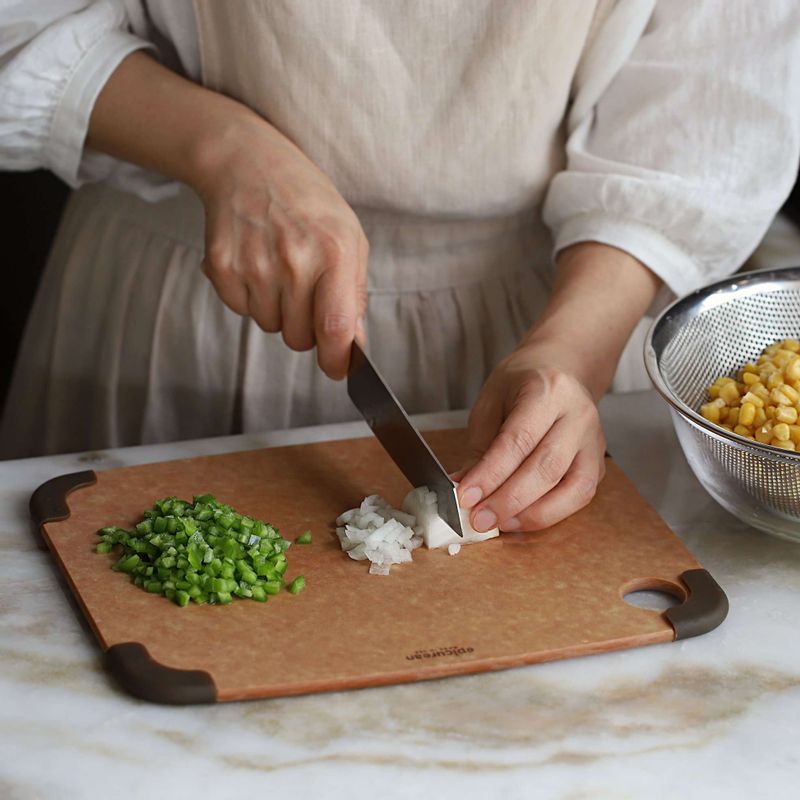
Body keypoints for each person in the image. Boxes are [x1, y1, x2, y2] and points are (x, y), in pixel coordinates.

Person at [1, 1, 799, 536]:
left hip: (561, 301)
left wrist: (571, 354)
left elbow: (711, 87)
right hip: (179, 304)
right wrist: (216, 146)